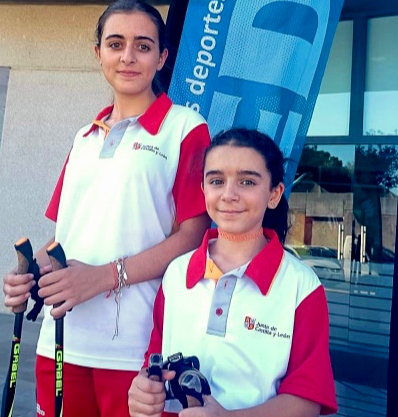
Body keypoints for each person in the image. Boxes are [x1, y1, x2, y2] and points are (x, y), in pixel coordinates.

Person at [2, 0, 211, 417]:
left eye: (143, 45)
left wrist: (104, 278)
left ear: (162, 57)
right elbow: (67, 233)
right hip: (60, 340)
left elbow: (193, 235)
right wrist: (29, 274)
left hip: (135, 346)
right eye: (115, 44)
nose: (128, 57)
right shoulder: (84, 136)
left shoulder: (186, 128)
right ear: (98, 54)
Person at [128, 128, 338, 416]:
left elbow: (307, 401)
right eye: (216, 180)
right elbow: (153, 363)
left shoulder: (301, 287)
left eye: (247, 181)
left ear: (274, 193)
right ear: (204, 190)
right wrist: (144, 389)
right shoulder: (176, 274)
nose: (229, 194)